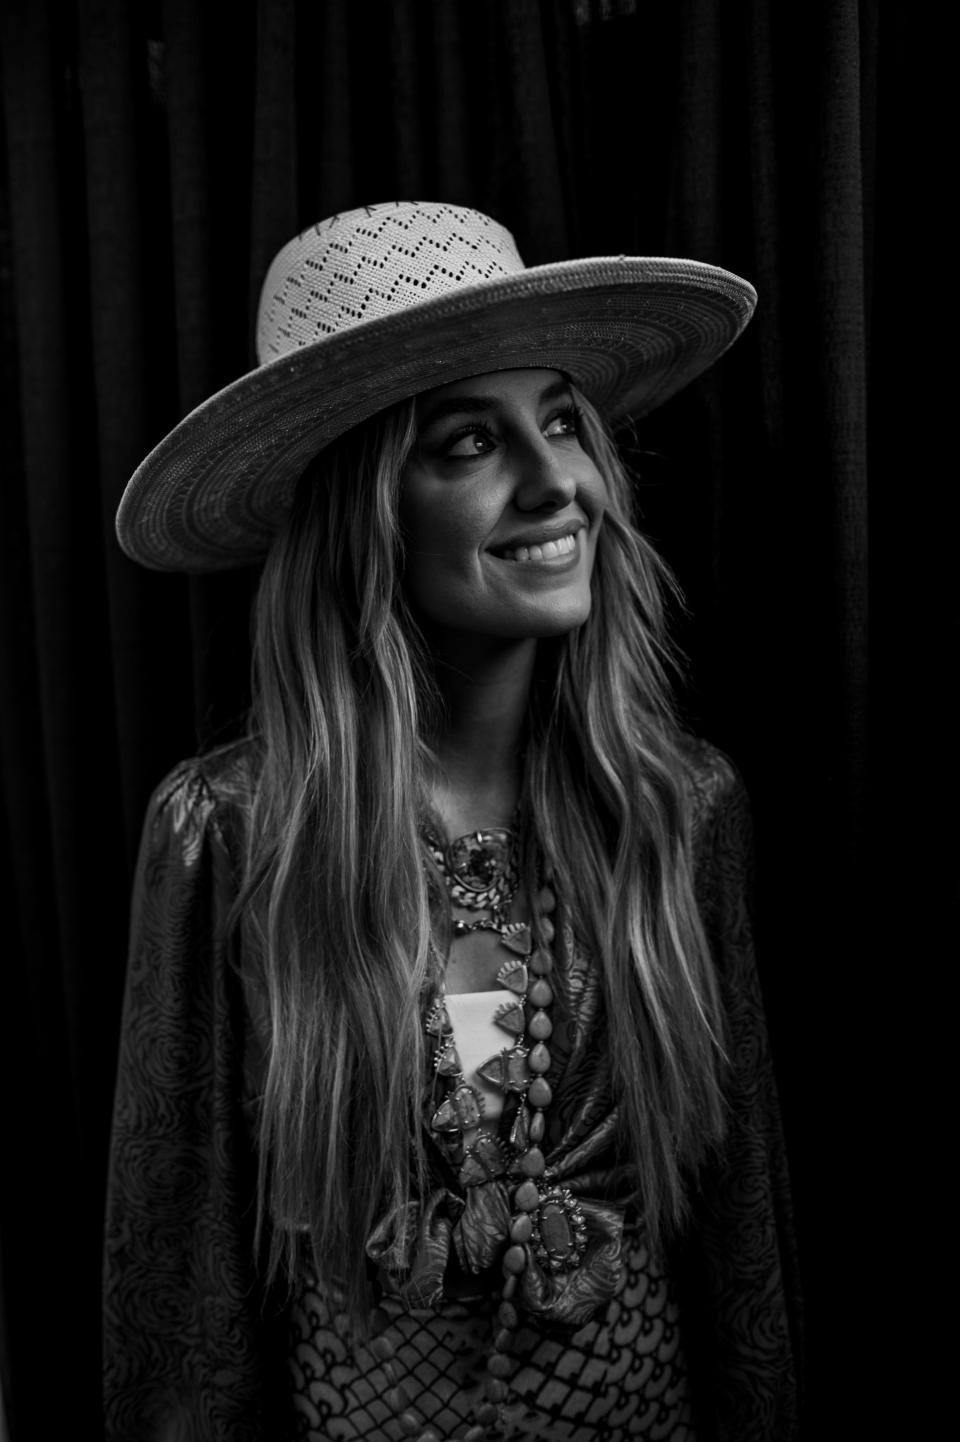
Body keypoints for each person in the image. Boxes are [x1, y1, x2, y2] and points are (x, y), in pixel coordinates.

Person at [104, 201, 802, 1442]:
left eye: (564, 422)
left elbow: (742, 1255)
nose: (558, 482)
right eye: (472, 441)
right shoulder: (228, 834)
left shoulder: (680, 808)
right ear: (362, 512)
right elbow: (185, 1300)